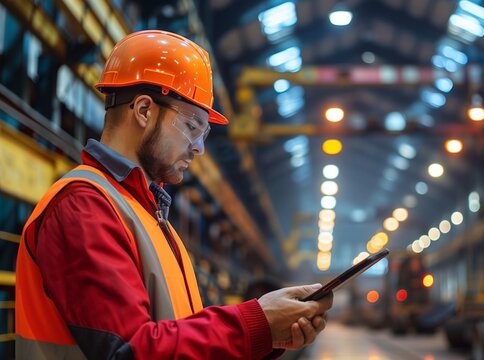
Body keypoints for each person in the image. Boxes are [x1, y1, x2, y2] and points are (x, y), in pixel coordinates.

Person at [15, 30, 332, 359]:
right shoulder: (83, 207)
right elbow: (131, 351)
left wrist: (267, 339)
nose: (199, 147)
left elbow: (178, 334)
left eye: (204, 133)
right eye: (192, 126)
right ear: (143, 110)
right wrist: (255, 324)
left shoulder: (148, 215)